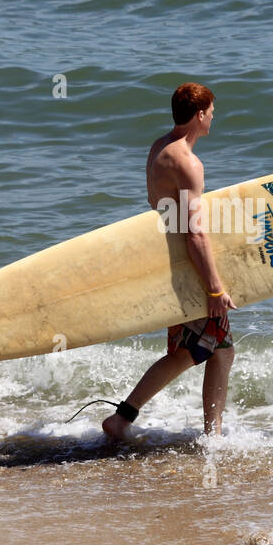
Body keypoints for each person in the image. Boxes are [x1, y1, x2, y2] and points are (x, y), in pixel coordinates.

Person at [101, 82, 236, 439]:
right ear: (199, 115)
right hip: (189, 267)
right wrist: (214, 289)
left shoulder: (159, 147)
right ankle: (130, 419)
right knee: (198, 352)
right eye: (210, 111)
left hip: (169, 261)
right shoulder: (188, 163)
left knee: (209, 351)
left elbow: (158, 207)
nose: (213, 116)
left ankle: (207, 430)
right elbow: (194, 233)